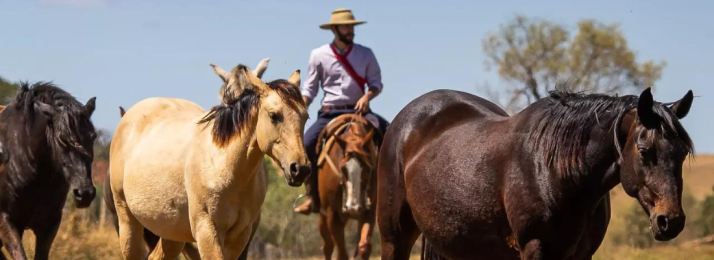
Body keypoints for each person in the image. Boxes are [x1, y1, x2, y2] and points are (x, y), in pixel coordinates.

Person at [294, 8, 390, 215]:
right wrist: (300, 109)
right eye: (346, 27)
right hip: (330, 112)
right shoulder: (319, 55)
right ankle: (312, 196)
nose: (350, 30)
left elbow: (376, 84)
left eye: (352, 26)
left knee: (392, 137)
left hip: (360, 111)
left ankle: (390, 194)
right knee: (306, 145)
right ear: (335, 29)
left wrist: (366, 97)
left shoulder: (366, 54)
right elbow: (310, 89)